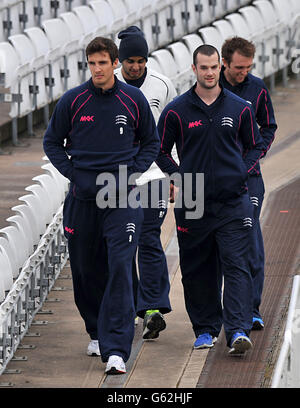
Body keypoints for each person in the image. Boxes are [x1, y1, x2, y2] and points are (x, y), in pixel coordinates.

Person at [43, 36, 159, 374]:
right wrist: (74, 174)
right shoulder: (73, 101)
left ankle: (116, 349)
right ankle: (95, 329)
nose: (97, 69)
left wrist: (132, 174)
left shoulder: (133, 99)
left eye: (103, 63)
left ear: (115, 64)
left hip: (122, 200)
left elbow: (151, 142)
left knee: (121, 269)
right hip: (82, 200)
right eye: (92, 63)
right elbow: (52, 142)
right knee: (84, 270)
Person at [156, 44, 264, 355]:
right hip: (193, 202)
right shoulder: (177, 110)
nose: (209, 72)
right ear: (194, 69)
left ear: (220, 67)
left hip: (233, 201)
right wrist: (178, 177)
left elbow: (254, 145)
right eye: (203, 67)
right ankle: (205, 329)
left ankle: (239, 330)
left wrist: (241, 172)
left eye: (214, 67)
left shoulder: (239, 107)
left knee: (236, 264)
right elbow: (160, 151)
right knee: (196, 268)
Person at [114, 26, 177, 340]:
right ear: (121, 61)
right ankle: (132, 306)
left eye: (140, 60)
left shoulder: (162, 85)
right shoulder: (107, 84)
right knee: (125, 243)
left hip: (154, 175)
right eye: (130, 61)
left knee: (149, 239)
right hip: (117, 178)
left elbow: (174, 130)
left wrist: (176, 175)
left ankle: (152, 307)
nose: (136, 66)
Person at [220, 37, 277, 330]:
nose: (244, 72)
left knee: (250, 241)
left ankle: (251, 308)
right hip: (212, 179)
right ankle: (216, 313)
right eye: (239, 68)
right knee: (212, 246)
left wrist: (253, 158)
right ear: (224, 63)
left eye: (248, 67)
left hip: (248, 177)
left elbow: (268, 127)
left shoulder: (257, 88)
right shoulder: (209, 87)